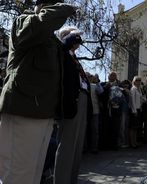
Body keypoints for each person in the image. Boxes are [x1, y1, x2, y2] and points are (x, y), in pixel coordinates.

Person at [0, 1, 77, 183]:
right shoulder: (24, 21)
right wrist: (64, 8)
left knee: (33, 175)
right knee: (18, 175)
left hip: (43, 114)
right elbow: (41, 23)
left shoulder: (49, 37)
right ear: (41, 6)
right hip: (24, 111)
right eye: (51, 4)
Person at [53, 26, 92, 184]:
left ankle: (71, 180)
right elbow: (62, 45)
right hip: (71, 102)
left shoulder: (74, 58)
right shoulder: (62, 53)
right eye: (75, 37)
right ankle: (62, 180)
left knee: (76, 146)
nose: (78, 40)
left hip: (81, 100)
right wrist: (70, 36)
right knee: (67, 145)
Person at [130, 76, 145, 148]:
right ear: (134, 81)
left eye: (139, 80)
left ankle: (135, 141)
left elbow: (140, 99)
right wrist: (134, 111)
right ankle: (132, 143)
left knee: (136, 127)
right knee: (133, 127)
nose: (138, 82)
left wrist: (143, 99)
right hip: (134, 110)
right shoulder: (133, 89)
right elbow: (132, 101)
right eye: (137, 80)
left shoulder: (139, 89)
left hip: (139, 109)